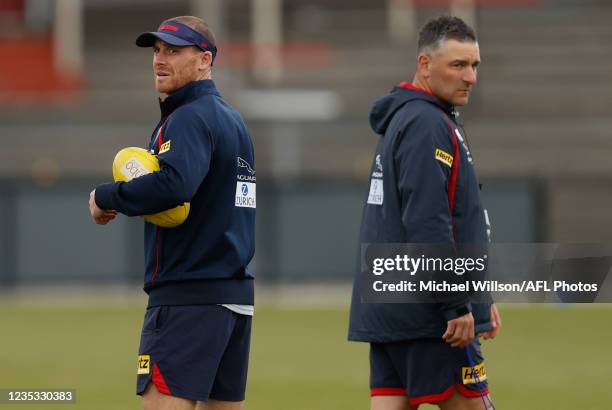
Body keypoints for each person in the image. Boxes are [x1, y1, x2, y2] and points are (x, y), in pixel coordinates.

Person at [88, 16, 255, 410]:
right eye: (157, 50)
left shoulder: (189, 118)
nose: (160, 59)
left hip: (188, 297)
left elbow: (173, 187)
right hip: (233, 298)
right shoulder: (231, 119)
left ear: (205, 61)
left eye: (174, 51)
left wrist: (105, 196)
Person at [348, 16, 501, 410]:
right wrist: (457, 304)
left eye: (475, 66)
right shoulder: (425, 123)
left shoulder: (410, 118)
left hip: (393, 311)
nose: (471, 77)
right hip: (431, 318)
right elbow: (428, 221)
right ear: (424, 64)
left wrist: (480, 298)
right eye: (458, 65)